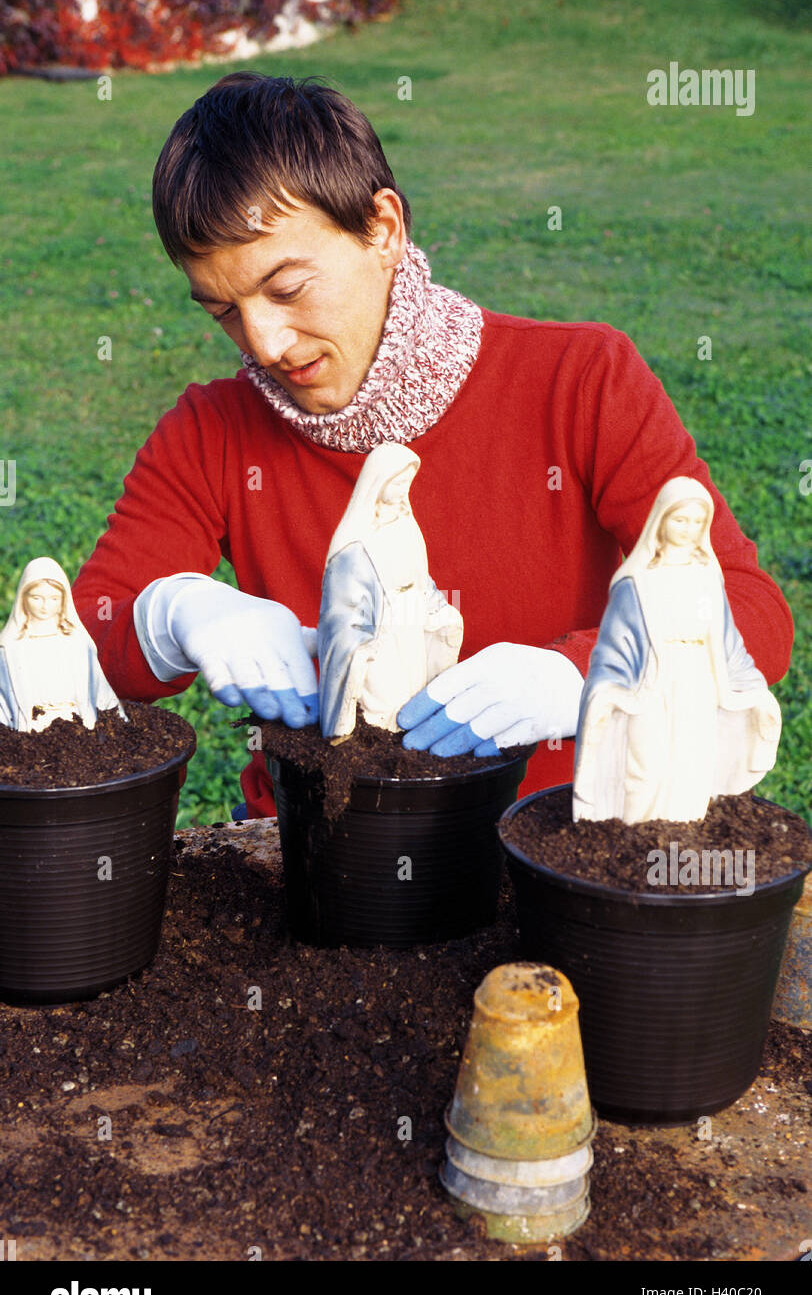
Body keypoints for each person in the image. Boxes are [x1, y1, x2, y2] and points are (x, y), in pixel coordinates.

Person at [71, 73, 793, 819]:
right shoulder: (210, 433)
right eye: (224, 310)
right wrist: (174, 614)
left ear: (382, 229)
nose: (264, 343)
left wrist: (584, 675)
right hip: (325, 857)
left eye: (286, 289)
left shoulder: (580, 380)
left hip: (561, 841)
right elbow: (78, 640)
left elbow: (752, 612)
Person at [571, 478, 782, 823]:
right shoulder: (637, 581)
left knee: (692, 762)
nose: (688, 529)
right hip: (653, 682)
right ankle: (635, 835)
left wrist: (752, 689)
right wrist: (607, 690)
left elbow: (728, 641)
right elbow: (615, 647)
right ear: (661, 519)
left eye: (697, 522)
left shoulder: (707, 576)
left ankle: (685, 833)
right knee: (644, 764)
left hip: (698, 680)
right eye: (680, 519)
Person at [318, 441, 463, 740]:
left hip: (410, 618)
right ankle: (374, 737)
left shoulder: (406, 526)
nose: (401, 490)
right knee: (383, 690)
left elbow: (421, 576)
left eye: (405, 483)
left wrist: (436, 608)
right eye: (396, 483)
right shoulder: (356, 541)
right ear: (378, 483)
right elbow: (347, 599)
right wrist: (360, 640)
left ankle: (407, 735)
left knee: (412, 683)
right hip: (381, 627)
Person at [0, 557, 125, 732]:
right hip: (30, 730)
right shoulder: (10, 648)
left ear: (63, 600)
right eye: (36, 598)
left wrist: (118, 725)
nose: (45, 606)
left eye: (53, 598)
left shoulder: (78, 642)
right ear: (23, 598)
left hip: (77, 726)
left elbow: (99, 690)